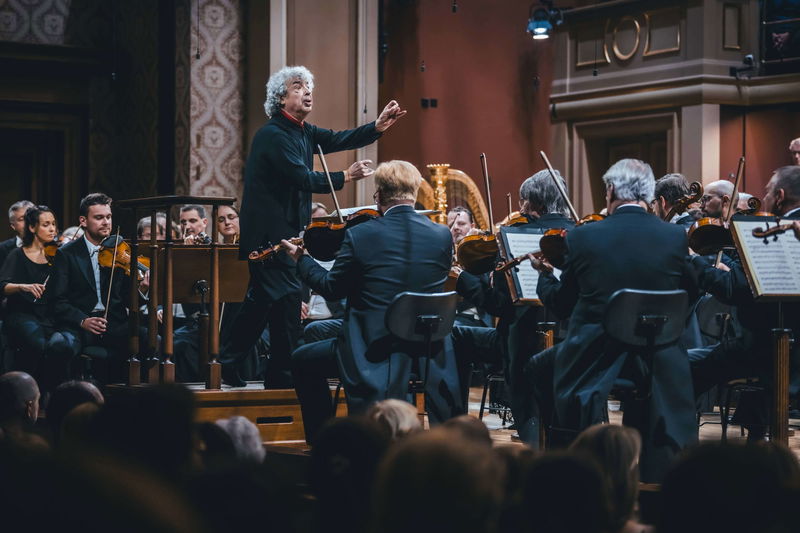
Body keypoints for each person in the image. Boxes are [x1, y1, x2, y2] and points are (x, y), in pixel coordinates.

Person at [222, 65, 406, 389]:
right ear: (281, 98)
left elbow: (338, 139)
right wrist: (345, 175)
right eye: (298, 86)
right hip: (268, 239)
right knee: (283, 302)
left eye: (309, 86)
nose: (307, 91)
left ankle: (240, 365)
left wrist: (376, 127)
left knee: (267, 303)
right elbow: (302, 177)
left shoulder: (304, 131)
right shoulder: (272, 135)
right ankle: (271, 373)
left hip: (286, 235)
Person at [532, 158, 698, 482]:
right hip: (658, 354)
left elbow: (563, 305)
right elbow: (689, 294)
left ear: (610, 191)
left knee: (540, 366)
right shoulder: (674, 236)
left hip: (596, 354)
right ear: (648, 195)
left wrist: (545, 276)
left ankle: (571, 460)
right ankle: (653, 470)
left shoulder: (584, 237)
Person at [283, 160, 458, 443]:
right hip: (426, 346)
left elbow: (331, 288)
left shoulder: (361, 235)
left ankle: (323, 442)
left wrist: (302, 260)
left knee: (302, 359)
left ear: (379, 195)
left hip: (374, 346)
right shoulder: (441, 235)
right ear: (414, 192)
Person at [455, 168, 575, 445]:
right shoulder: (580, 232)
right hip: (572, 339)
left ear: (534, 204)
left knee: (457, 336)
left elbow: (500, 306)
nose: (520, 208)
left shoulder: (515, 236)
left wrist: (464, 280)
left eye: (524, 201)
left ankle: (456, 425)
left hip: (525, 344)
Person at [47, 193, 149, 384]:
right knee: (60, 346)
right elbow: (57, 300)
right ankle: (63, 396)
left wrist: (142, 289)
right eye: (99, 217)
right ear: (83, 221)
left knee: (152, 340)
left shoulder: (120, 251)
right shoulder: (67, 253)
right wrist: (83, 320)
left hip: (114, 324)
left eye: (108, 217)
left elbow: (128, 299)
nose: (106, 222)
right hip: (79, 326)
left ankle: (139, 396)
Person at [0, 205, 67, 392]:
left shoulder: (59, 255)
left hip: (50, 314)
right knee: (37, 343)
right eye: (46, 225)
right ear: (32, 228)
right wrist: (23, 286)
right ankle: (27, 391)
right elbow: (2, 286)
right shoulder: (17, 254)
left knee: (60, 345)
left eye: (53, 224)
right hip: (22, 313)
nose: (52, 229)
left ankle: (50, 392)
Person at [0, 200, 34, 269]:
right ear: (13, 226)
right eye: (21, 219)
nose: (28, 222)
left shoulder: (49, 246)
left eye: (30, 217)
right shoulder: (2, 249)